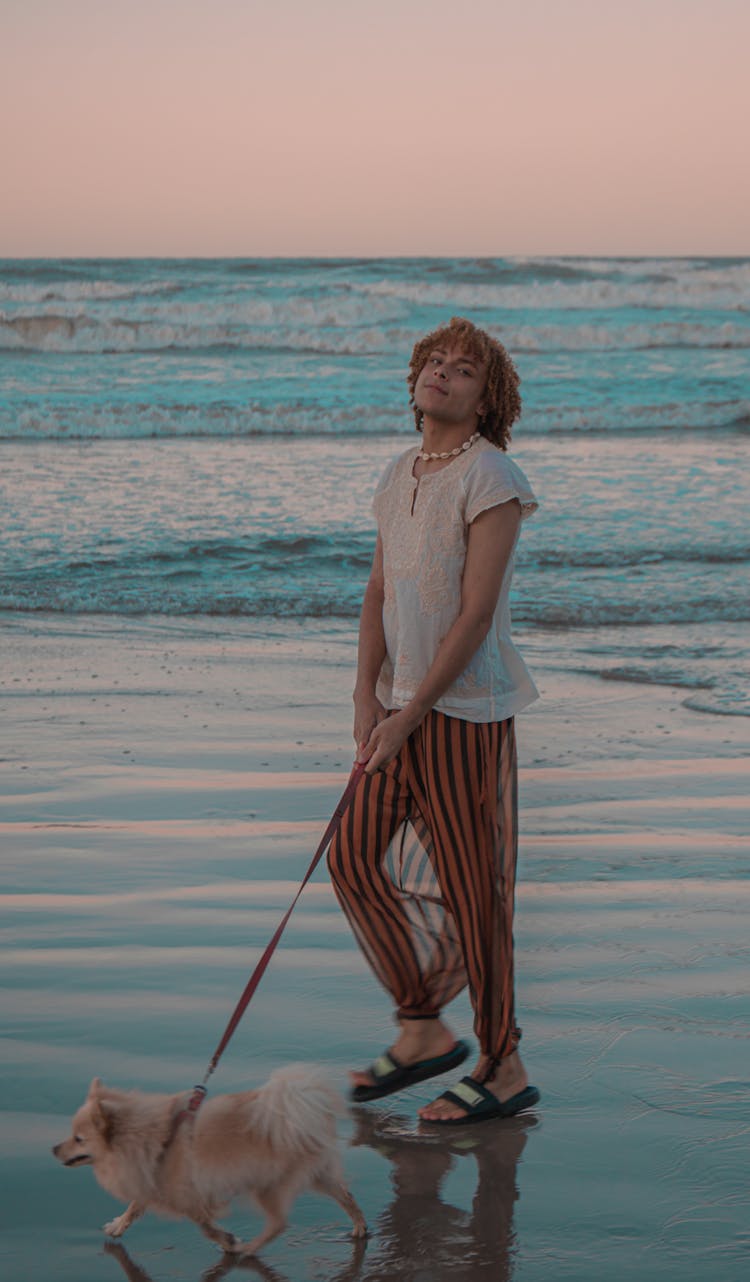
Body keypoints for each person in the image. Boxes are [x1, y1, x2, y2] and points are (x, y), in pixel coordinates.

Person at [328, 316, 540, 1124]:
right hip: (396, 710)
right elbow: (380, 592)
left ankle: (502, 1061)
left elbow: (477, 614)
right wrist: (365, 697)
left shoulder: (492, 477)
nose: (442, 375)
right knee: (350, 861)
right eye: (434, 363)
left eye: (464, 371)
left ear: (488, 402)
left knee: (471, 890)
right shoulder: (400, 470)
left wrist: (412, 712)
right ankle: (421, 1027)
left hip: (461, 714)